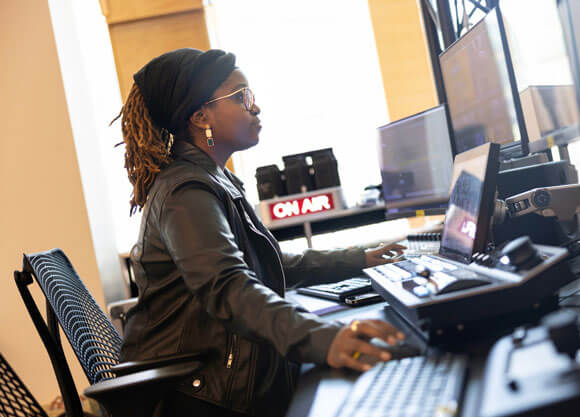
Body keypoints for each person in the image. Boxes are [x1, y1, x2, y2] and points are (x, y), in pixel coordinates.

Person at [116, 48, 406, 417]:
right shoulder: (185, 194)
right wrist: (323, 339)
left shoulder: (214, 180)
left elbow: (268, 263)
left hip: (221, 373)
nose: (255, 107)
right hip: (201, 394)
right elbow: (229, 287)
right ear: (200, 115)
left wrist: (361, 258)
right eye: (241, 96)